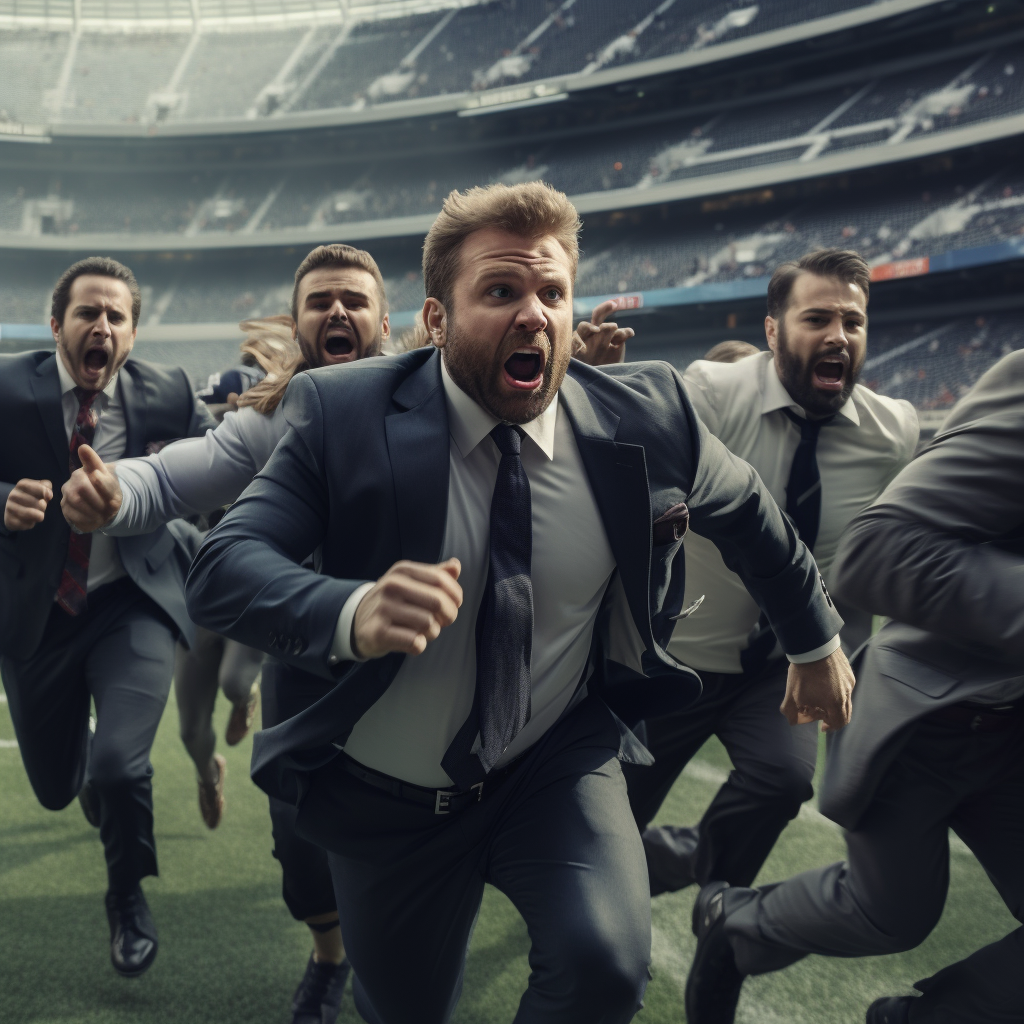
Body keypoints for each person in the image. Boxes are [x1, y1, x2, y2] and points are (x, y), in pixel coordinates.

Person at [184, 181, 851, 1024]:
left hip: (552, 763)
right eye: (501, 291)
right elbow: (223, 565)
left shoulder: (648, 415)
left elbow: (752, 513)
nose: (534, 313)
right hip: (387, 795)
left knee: (606, 965)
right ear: (434, 320)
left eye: (552, 293)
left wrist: (813, 638)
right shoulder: (341, 412)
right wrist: (349, 611)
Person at [61, 245, 390, 1024]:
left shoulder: (443, 392)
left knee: (423, 823)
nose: (337, 312)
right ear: (300, 322)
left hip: (421, 656)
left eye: (354, 299)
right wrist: (117, 492)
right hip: (306, 653)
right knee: (298, 836)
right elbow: (176, 474)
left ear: (388, 321)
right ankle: (328, 957)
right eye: (320, 301)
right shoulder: (273, 418)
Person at [684, 348, 1024, 1024]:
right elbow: (877, 551)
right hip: (925, 724)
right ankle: (734, 919)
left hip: (1012, 733)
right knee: (892, 916)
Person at [624, 249, 919, 898]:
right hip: (678, 659)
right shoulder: (706, 394)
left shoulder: (893, 432)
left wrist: (846, 648)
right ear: (772, 330)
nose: (838, 335)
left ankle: (717, 905)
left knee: (783, 781)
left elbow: (881, 549)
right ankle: (629, 884)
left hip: (782, 662)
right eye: (817, 318)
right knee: (619, 813)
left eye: (853, 321)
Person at [0, 257, 215, 978]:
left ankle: (126, 898)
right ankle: (86, 775)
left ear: (132, 332)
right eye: (87, 313)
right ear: (57, 325)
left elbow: (224, 468)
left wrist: (178, 505)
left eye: (116, 316)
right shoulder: (5, 385)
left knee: (123, 767)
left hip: (134, 602)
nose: (102, 326)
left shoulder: (170, 394)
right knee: (61, 789)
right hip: (38, 618)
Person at [172, 320, 292, 830]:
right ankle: (207, 772)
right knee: (191, 730)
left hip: (249, 585)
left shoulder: (289, 425)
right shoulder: (214, 430)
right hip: (198, 591)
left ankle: (246, 695)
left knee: (233, 681)